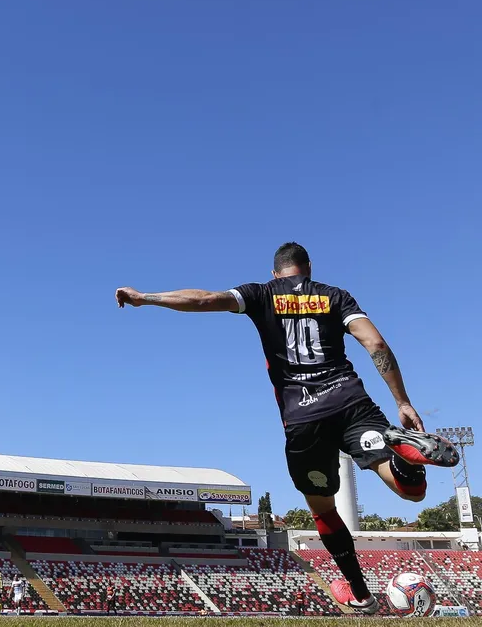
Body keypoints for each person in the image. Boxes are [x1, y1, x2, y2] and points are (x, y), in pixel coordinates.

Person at [115, 242, 460, 614]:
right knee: (411, 493)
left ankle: (361, 594)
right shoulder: (334, 296)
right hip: (351, 402)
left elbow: (203, 299)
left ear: (275, 271)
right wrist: (402, 402)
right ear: (307, 268)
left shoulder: (261, 293)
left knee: (324, 511)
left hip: (303, 418)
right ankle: (403, 456)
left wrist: (144, 298)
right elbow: (374, 342)